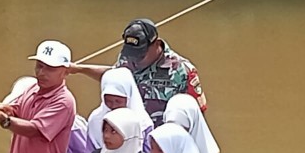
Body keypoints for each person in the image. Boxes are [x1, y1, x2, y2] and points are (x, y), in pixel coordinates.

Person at [69, 19, 207, 126]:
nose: (134, 59)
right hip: (130, 138)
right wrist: (80, 69)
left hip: (162, 145)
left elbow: (197, 116)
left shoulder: (182, 71)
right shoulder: (127, 58)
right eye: (131, 53)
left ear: (156, 44)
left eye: (140, 54)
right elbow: (115, 79)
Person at [86, 67, 153, 153]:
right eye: (108, 101)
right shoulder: (95, 120)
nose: (114, 106)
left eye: (118, 101)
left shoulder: (143, 123)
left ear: (128, 97)